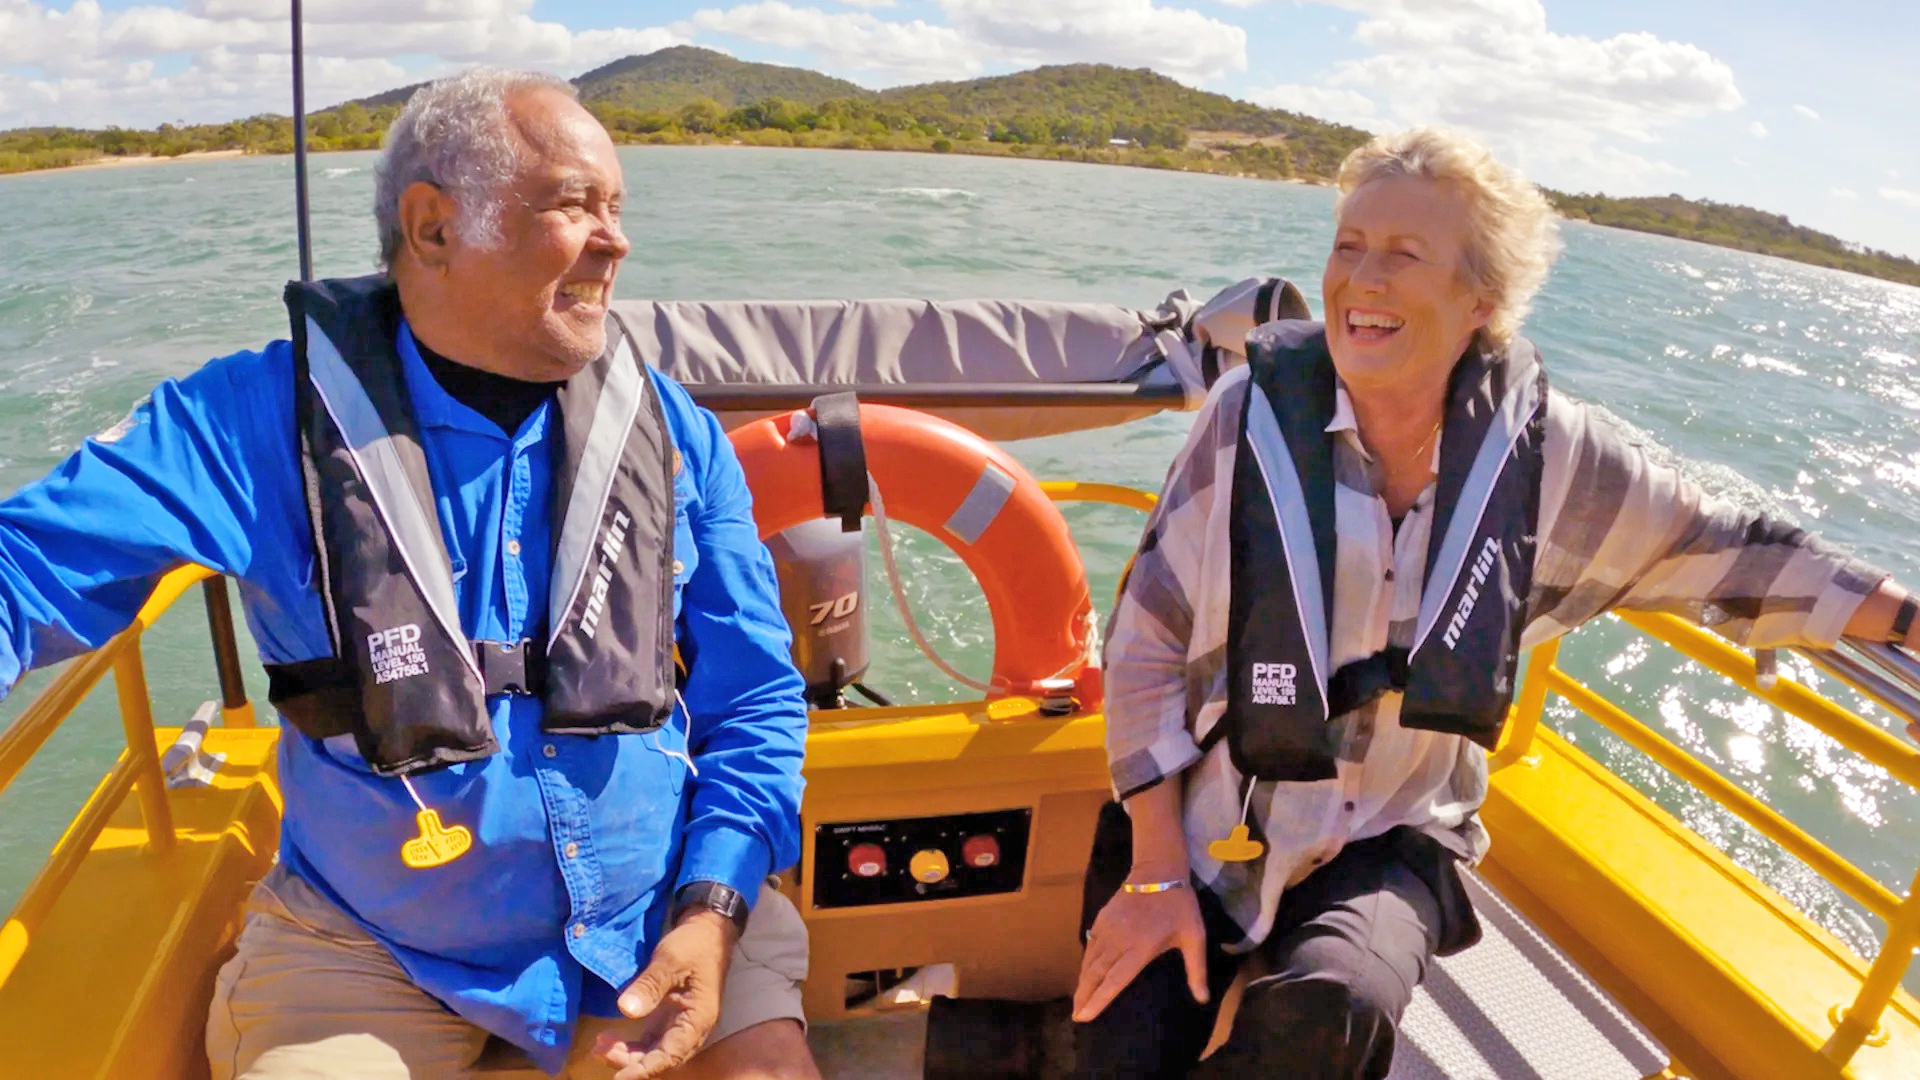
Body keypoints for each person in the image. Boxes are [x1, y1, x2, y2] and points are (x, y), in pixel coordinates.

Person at [0, 69, 819, 1080]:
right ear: (433, 228)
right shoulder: (251, 422)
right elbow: (25, 566)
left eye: (618, 207)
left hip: (656, 918)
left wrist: (715, 906)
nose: (616, 241)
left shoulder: (674, 431)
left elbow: (757, 696)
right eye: (575, 203)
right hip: (370, 950)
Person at [1072, 126, 1920, 1079]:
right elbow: (1145, 641)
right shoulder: (1246, 418)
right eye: (1349, 246)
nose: (1362, 280)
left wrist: (1907, 620)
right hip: (1201, 823)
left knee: (1334, 1009)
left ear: (1481, 300)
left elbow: (1732, 554)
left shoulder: (1554, 459)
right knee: (1122, 1046)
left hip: (1391, 830)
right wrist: (1155, 870)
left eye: (1404, 254)